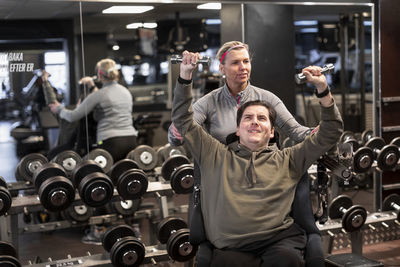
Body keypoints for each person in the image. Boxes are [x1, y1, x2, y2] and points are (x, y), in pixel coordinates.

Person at [171, 51, 343, 267]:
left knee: (286, 261)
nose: (254, 122)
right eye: (248, 118)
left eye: (262, 118)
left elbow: (330, 132)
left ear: (272, 132)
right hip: (230, 244)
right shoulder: (214, 155)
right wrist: (185, 76)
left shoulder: (288, 158)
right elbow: (183, 121)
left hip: (279, 240)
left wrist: (322, 89)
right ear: (237, 128)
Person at [49, 58, 138, 162]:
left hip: (110, 142)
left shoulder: (99, 95)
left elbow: (72, 116)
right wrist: (91, 86)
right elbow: (107, 98)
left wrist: (59, 109)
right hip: (131, 140)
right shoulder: (126, 92)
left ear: (99, 74)